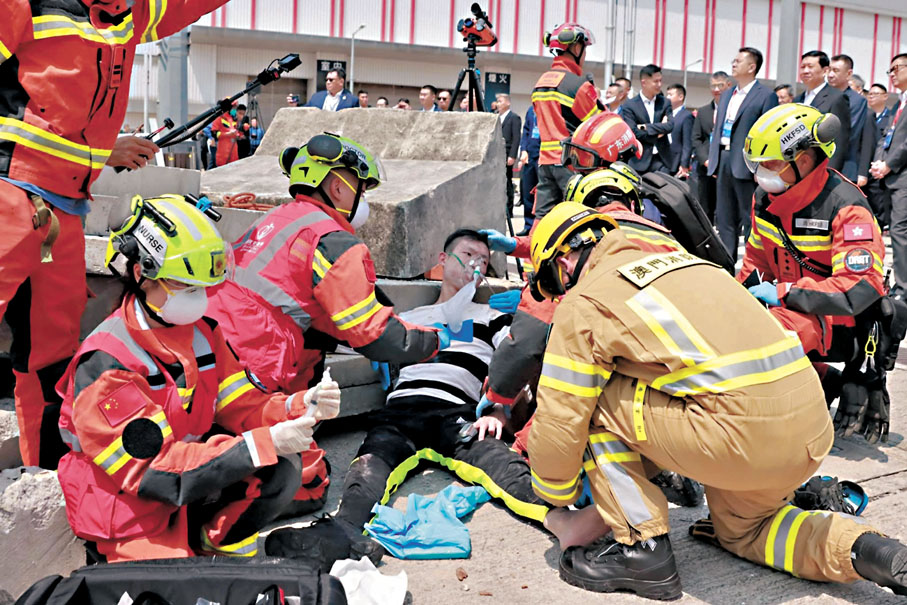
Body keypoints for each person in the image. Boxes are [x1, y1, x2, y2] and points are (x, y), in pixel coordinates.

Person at [525, 201, 907, 600]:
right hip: (807, 431)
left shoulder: (587, 300)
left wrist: (557, 494)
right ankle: (870, 552)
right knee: (748, 531)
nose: (558, 294)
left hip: (736, 440)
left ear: (563, 262)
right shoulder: (692, 265)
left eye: (551, 284)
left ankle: (642, 549)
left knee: (592, 396)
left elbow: (561, 419)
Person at [0, 0, 230, 470]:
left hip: (57, 209)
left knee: (51, 353)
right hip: (10, 187)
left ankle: (42, 478)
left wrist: (102, 151)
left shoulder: (131, 11)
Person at [56, 195, 341, 562]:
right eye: (185, 285)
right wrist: (257, 444)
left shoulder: (202, 333)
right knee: (167, 588)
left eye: (203, 286)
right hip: (130, 505)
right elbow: (150, 471)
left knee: (282, 468)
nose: (200, 297)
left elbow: (239, 403)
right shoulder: (108, 364)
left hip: (186, 478)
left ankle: (218, 548)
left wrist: (298, 405)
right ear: (142, 275)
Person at [331, 229, 553, 537]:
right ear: (443, 260)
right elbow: (344, 337)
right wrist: (377, 345)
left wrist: (498, 409)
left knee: (506, 467)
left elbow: (521, 359)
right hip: (401, 412)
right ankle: (342, 534)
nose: (476, 265)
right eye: (468, 255)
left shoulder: (491, 315)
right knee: (365, 472)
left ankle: (566, 525)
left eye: (484, 261)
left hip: (457, 413)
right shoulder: (409, 316)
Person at [207, 133, 448, 397]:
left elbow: (311, 309)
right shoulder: (333, 241)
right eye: (362, 190)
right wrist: (436, 341)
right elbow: (372, 333)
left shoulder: (276, 218)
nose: (363, 199)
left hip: (214, 340)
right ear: (337, 188)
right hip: (255, 357)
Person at [740, 104, 890, 443]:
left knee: (767, 338)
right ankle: (819, 379)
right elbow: (754, 263)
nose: (760, 174)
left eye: (770, 163)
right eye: (758, 164)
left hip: (839, 320)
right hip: (793, 308)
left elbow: (859, 288)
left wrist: (784, 293)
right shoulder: (765, 199)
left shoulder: (846, 205)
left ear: (804, 160)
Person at [707, 47, 778, 262]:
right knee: (724, 218)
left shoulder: (766, 96)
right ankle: (727, 264)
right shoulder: (728, 94)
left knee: (751, 218)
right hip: (724, 159)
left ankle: (752, 266)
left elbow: (768, 134)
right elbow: (719, 128)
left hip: (747, 164)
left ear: (752, 66)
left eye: (738, 61)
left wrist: (762, 166)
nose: (733, 64)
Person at [532, 22, 603, 219]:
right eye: (585, 49)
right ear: (576, 48)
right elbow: (597, 125)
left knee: (544, 217)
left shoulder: (540, 83)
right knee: (580, 216)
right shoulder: (578, 85)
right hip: (571, 162)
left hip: (545, 161)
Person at [871, 53, 907, 299]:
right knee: (895, 232)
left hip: (902, 176)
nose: (892, 74)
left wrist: (889, 165)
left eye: (897, 68)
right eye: (890, 70)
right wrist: (878, 163)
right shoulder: (899, 103)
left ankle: (904, 288)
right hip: (890, 177)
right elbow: (888, 137)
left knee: (900, 232)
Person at [796, 50, 851, 172]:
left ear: (825, 71)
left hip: (821, 166)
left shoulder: (836, 97)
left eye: (810, 67)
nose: (805, 71)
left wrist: (830, 171)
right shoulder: (797, 99)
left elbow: (840, 139)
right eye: (802, 67)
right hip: (797, 166)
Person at [692, 72, 731, 222]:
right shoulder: (703, 112)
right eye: (713, 86)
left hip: (726, 165)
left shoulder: (732, 110)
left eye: (720, 85)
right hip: (706, 167)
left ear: (728, 85)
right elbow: (696, 138)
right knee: (705, 205)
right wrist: (705, 160)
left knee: (725, 206)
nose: (716, 89)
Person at [620, 64, 674, 175]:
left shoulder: (665, 103)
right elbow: (634, 133)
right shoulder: (630, 105)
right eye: (656, 81)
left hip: (663, 161)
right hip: (639, 162)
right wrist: (659, 132)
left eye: (660, 81)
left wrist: (646, 127)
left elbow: (670, 126)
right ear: (644, 82)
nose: (660, 85)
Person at [828, 54, 869, 183]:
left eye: (835, 71)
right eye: (829, 70)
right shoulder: (823, 96)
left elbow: (848, 134)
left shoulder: (857, 101)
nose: (830, 74)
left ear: (849, 73)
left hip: (843, 166)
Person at [863, 83, 894, 226]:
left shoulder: (891, 119)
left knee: (879, 205)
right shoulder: (864, 116)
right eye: (870, 94)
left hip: (881, 169)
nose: (871, 97)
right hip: (864, 168)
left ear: (885, 97)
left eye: (876, 94)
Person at [517, 105, 541, 235]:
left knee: (543, 194)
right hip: (529, 156)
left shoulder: (549, 107)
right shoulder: (531, 110)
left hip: (543, 155)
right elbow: (526, 131)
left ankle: (541, 226)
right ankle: (528, 225)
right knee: (528, 192)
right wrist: (524, 149)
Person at [497, 94, 522, 217]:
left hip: (507, 154)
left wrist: (512, 155)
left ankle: (509, 210)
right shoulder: (498, 118)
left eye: (500, 101)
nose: (498, 104)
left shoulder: (514, 118)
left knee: (507, 182)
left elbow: (516, 138)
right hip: (498, 154)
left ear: (507, 103)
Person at [666, 83, 693, 179]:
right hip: (664, 159)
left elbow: (687, 143)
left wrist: (684, 164)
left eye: (671, 95)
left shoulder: (686, 116)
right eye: (667, 94)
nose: (667, 97)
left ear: (680, 97)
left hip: (676, 161)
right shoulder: (666, 114)